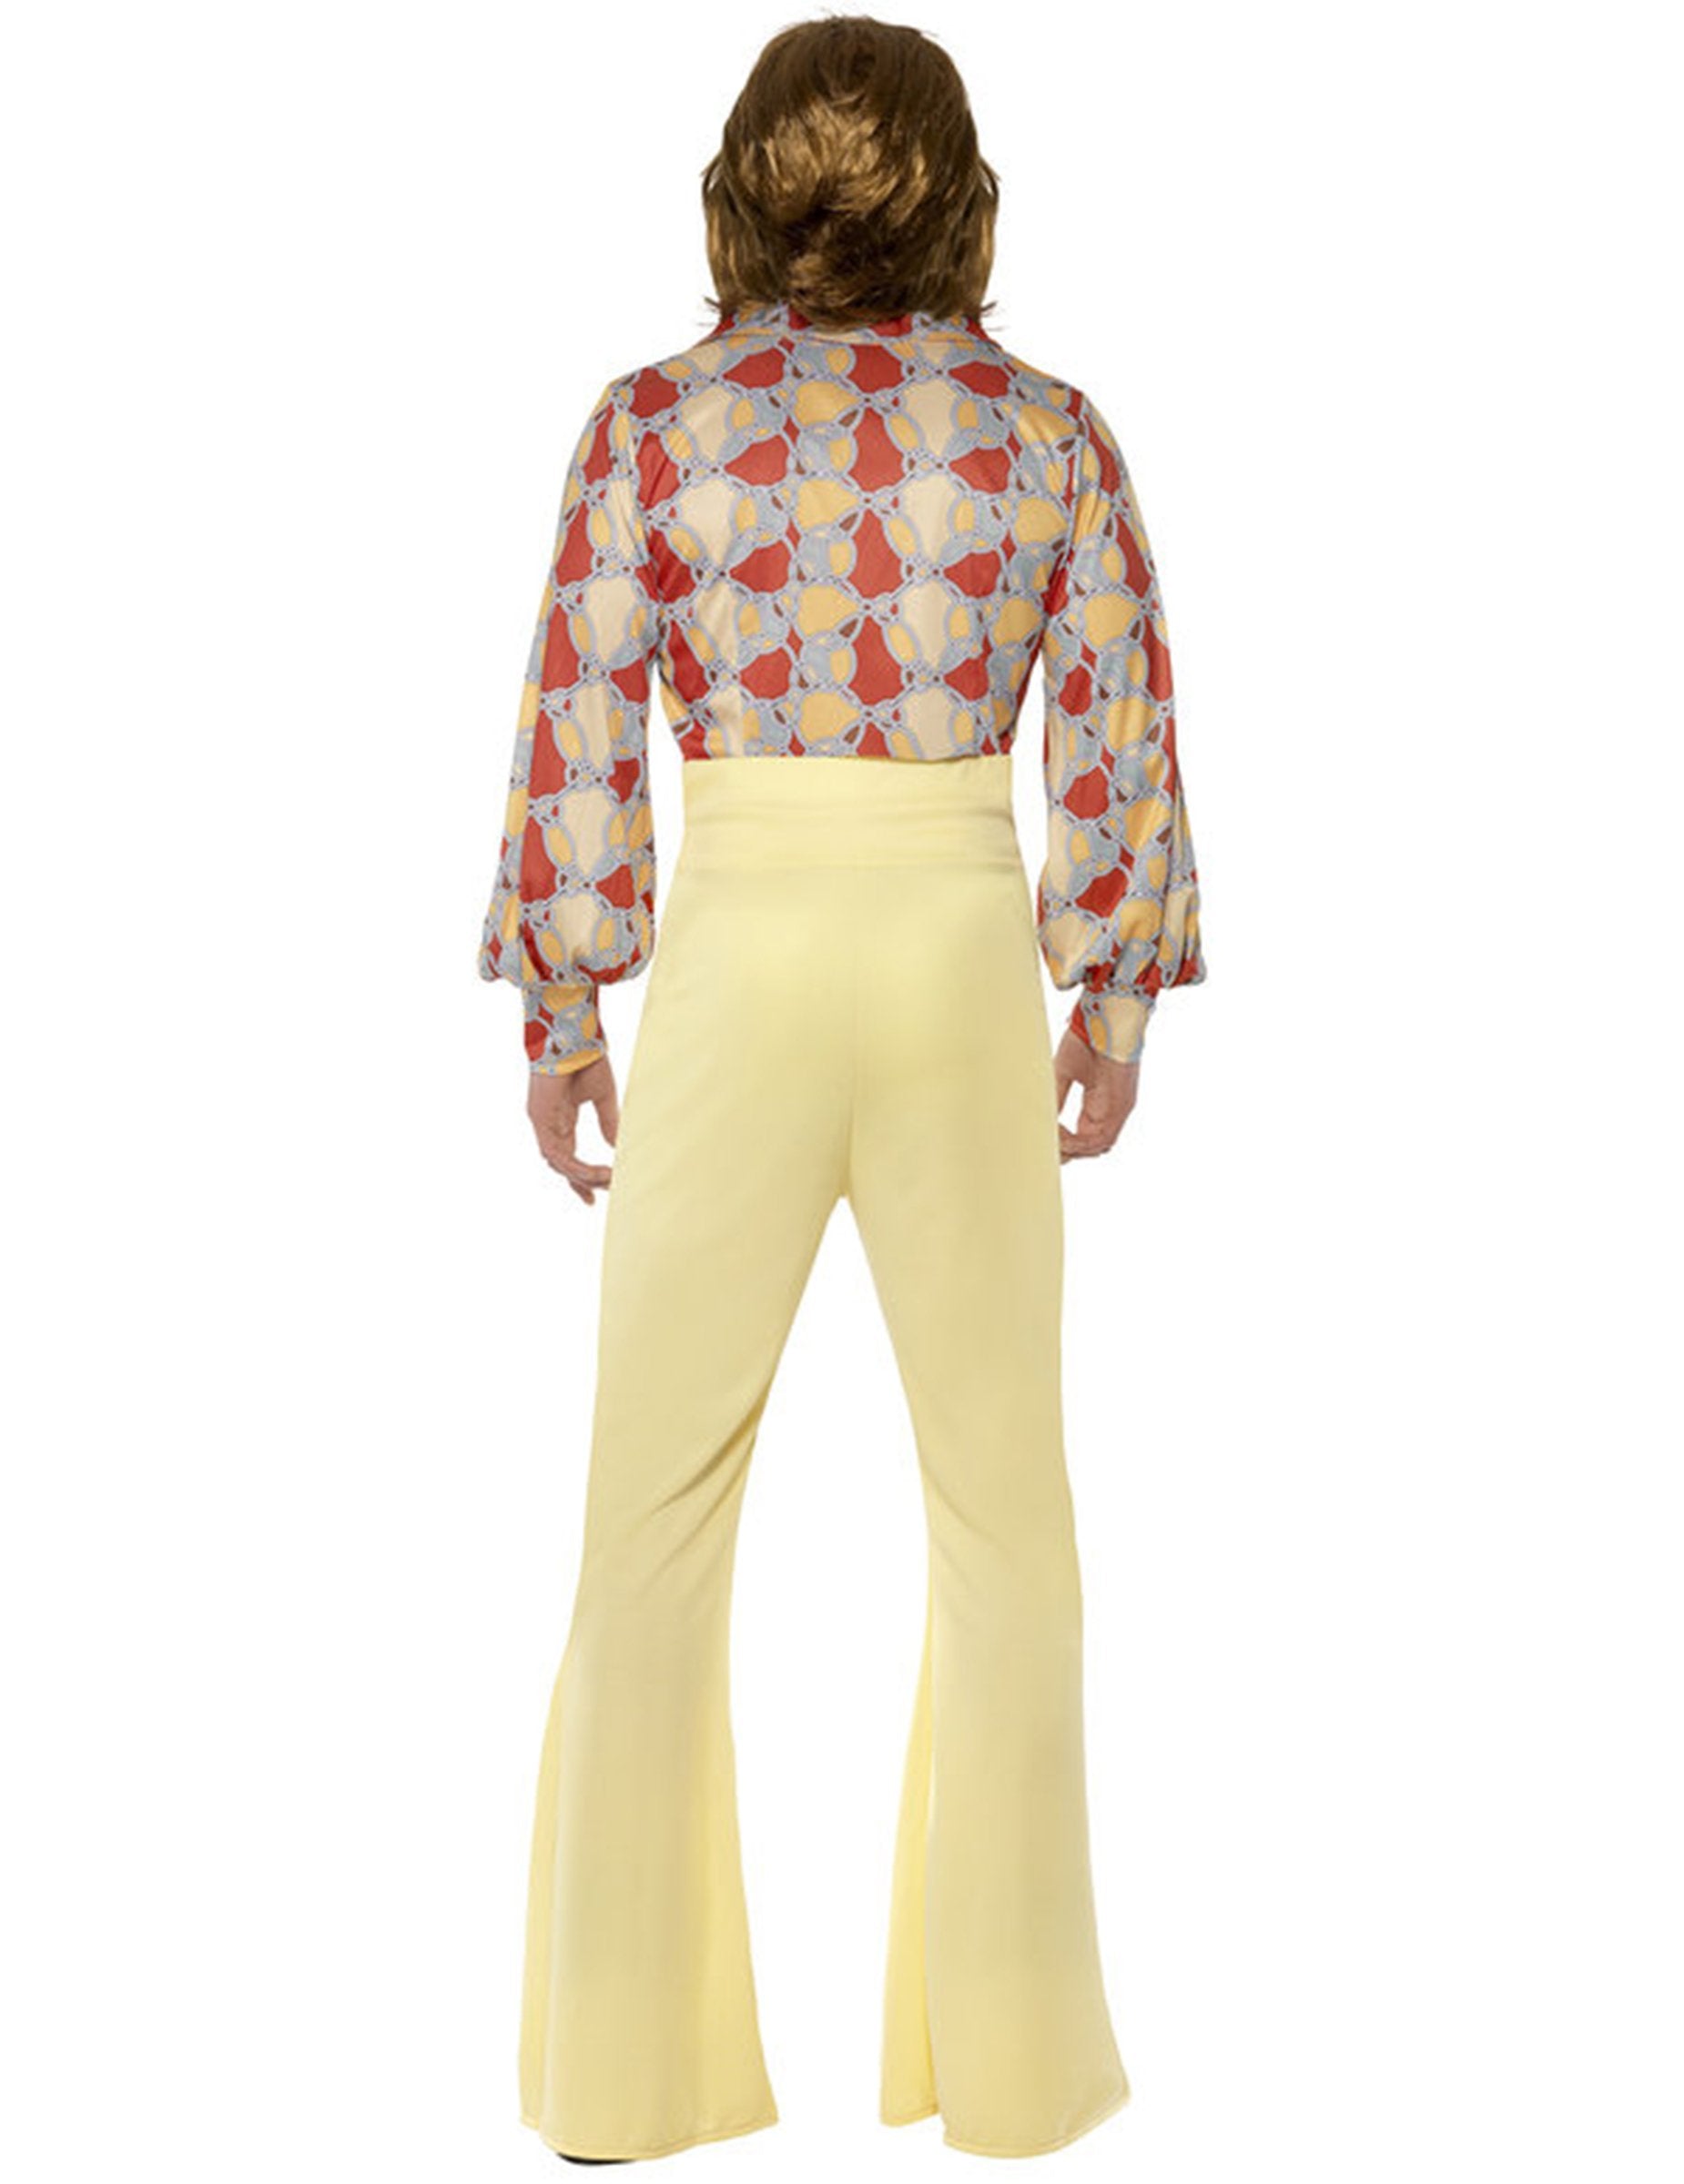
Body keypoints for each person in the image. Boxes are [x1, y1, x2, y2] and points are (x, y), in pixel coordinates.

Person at [476, 14, 1206, 2165]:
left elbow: (581, 716)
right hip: (956, 947)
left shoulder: (651, 424)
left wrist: (561, 1009)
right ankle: (1014, 2071)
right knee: (1004, 1519)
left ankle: (621, 2079)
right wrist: (1112, 1001)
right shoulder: (1048, 432)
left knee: (650, 1515)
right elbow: (1120, 733)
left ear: (741, 181)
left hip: (740, 953)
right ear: (957, 191)